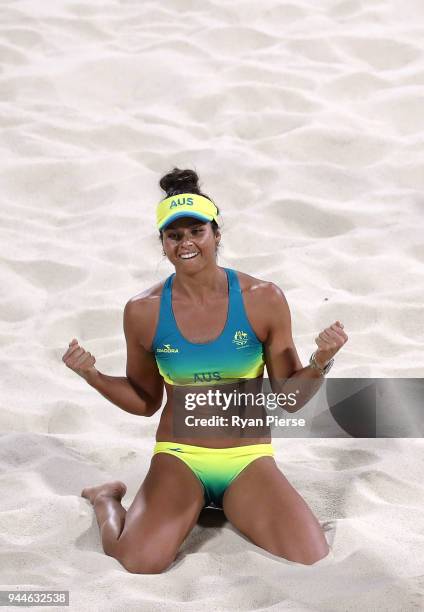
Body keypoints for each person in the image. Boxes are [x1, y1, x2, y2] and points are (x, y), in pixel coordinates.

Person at [62, 167, 348, 574]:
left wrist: (321, 361)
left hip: (246, 457)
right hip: (181, 457)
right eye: (174, 236)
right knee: (139, 562)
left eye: (196, 231)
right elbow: (145, 402)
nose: (186, 243)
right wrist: (92, 375)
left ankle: (213, 507)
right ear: (162, 244)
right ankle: (106, 499)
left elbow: (289, 399)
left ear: (216, 234)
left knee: (311, 556)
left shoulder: (262, 299)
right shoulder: (143, 312)